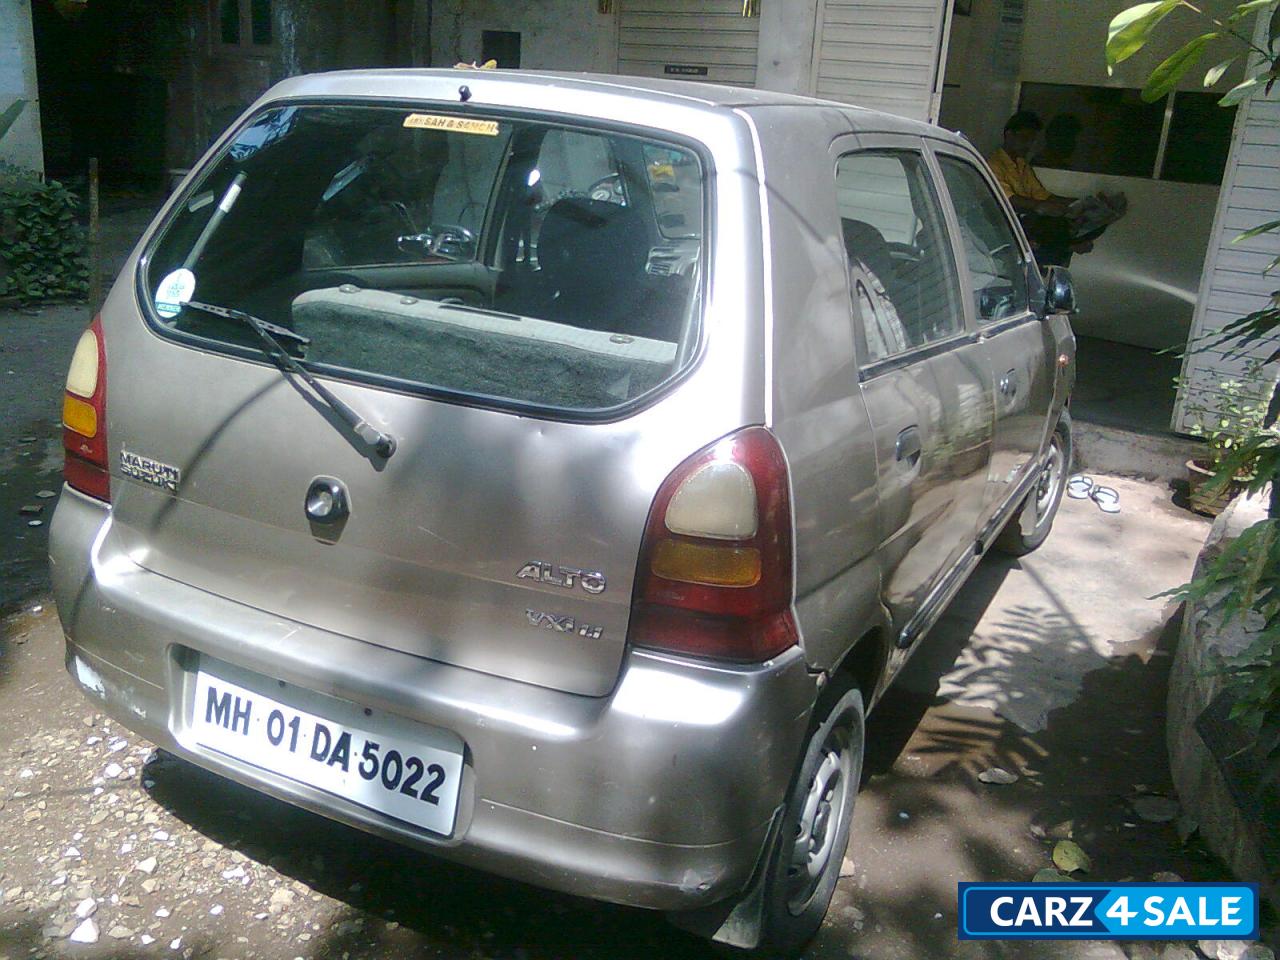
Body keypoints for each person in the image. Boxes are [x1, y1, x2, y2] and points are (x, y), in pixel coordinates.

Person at [988, 110, 1125, 267]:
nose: (1028, 145)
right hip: (1011, 221)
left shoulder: (1022, 165)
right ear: (1009, 135)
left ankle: (1072, 244)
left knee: (1084, 221)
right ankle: (1069, 246)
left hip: (1031, 220)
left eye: (1031, 140)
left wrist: (1082, 203)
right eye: (1024, 138)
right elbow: (1007, 199)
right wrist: (1041, 207)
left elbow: (1043, 195)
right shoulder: (994, 164)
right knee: (1052, 225)